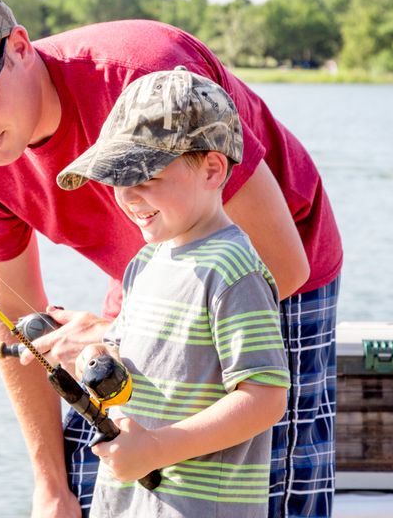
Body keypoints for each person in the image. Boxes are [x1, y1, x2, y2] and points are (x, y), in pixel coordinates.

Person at [0, 0, 342, 518]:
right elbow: (17, 312)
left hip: (270, 262)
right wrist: (50, 486)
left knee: (254, 485)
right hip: (148, 269)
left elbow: (282, 267)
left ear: (18, 46)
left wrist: (115, 332)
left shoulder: (146, 78)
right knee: (104, 471)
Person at [59, 67, 290, 517]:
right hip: (130, 502)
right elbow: (126, 355)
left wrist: (158, 448)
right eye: (117, 181)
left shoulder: (232, 271)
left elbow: (265, 398)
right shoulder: (145, 262)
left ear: (211, 169)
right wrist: (97, 358)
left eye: (145, 178)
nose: (128, 198)